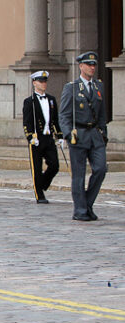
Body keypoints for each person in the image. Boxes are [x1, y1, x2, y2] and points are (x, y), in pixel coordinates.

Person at [59, 51, 108, 221]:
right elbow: (64, 115)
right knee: (79, 175)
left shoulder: (98, 86)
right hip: (78, 135)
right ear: (81, 66)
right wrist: (67, 134)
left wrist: (104, 134)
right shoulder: (71, 87)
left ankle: (87, 204)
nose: (92, 68)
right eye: (89, 65)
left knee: (101, 169)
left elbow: (102, 114)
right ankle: (80, 210)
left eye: (94, 65)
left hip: (95, 135)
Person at [22, 71, 63, 203]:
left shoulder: (51, 99)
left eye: (45, 81)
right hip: (37, 138)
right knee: (37, 167)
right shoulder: (30, 102)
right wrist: (30, 137)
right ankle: (39, 195)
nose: (43, 84)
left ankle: (43, 184)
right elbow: (27, 122)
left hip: (48, 137)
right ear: (34, 83)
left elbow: (55, 119)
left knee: (54, 165)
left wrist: (60, 135)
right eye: (41, 81)